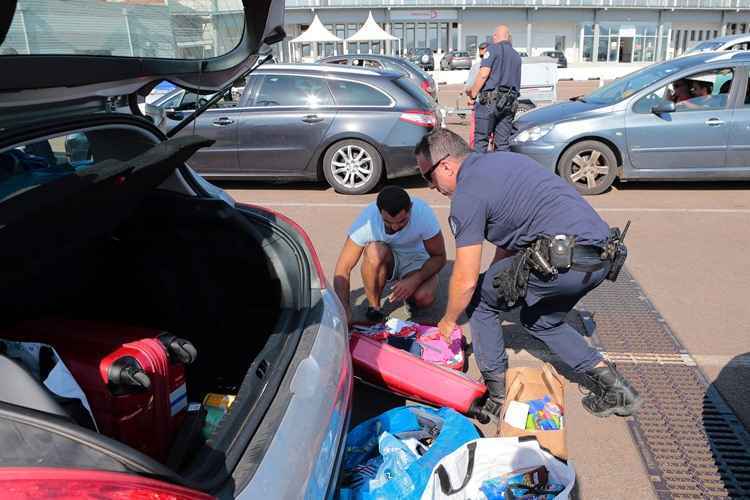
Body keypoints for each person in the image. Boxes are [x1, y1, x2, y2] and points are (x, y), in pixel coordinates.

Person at [414, 128, 642, 419]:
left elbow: (466, 278)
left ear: (445, 165)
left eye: (428, 177)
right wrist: (493, 281)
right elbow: (510, 244)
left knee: (480, 302)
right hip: (600, 259)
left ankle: (497, 394)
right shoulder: (504, 163)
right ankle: (617, 390)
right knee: (539, 319)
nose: (431, 187)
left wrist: (447, 322)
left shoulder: (467, 194)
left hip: (562, 261)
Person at [333, 185, 446, 323]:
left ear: (410, 208)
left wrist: (415, 280)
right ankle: (374, 308)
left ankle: (411, 300)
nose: (395, 227)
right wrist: (343, 309)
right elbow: (342, 269)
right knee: (375, 251)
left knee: (424, 297)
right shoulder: (367, 219)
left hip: (416, 259)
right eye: (387, 222)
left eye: (402, 221)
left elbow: (439, 257)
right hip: (387, 256)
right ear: (379, 212)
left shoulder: (423, 213)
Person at [467, 25, 522, 153]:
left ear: (495, 36)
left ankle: (477, 171)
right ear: (508, 37)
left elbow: (483, 74)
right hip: (510, 103)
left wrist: (473, 94)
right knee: (502, 143)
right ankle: (501, 171)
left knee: (481, 141)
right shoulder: (516, 55)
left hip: (490, 103)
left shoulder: (492, 49)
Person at [466, 43, 490, 151]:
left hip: (480, 104)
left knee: (477, 136)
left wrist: (471, 96)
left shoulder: (477, 67)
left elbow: (469, 87)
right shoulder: (497, 66)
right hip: (495, 104)